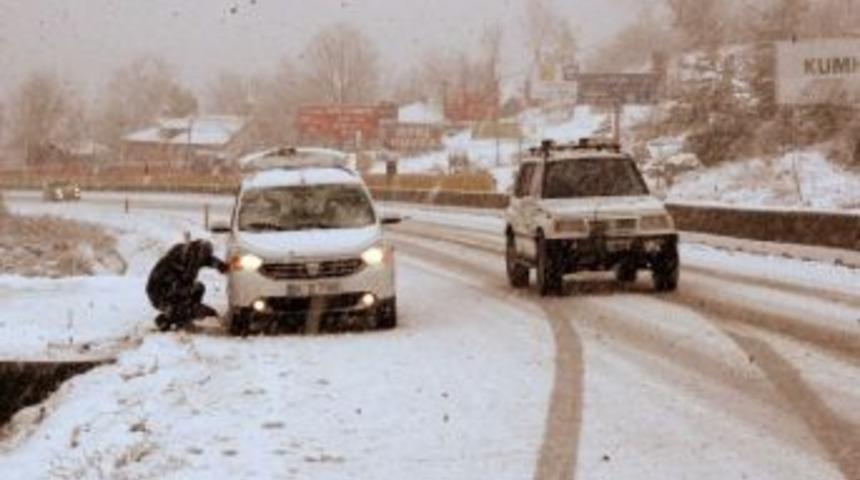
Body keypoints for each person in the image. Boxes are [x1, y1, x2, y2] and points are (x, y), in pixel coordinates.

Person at [146, 237, 228, 332]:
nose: (201, 261)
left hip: (176, 290)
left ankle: (181, 313)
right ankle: (169, 319)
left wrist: (221, 266)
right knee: (192, 307)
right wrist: (198, 309)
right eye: (200, 258)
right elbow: (178, 289)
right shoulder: (172, 264)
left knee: (198, 288)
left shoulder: (194, 255)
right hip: (160, 294)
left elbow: (209, 260)